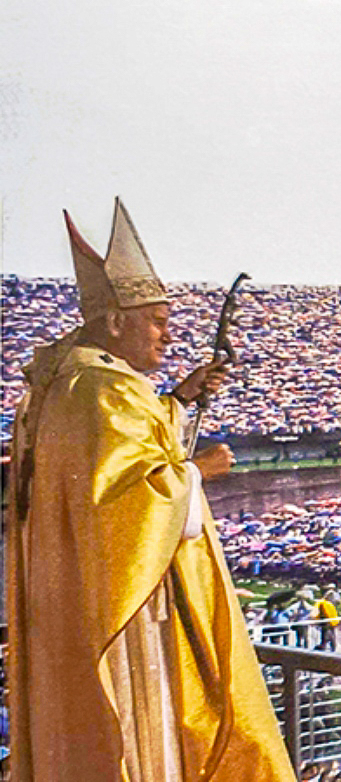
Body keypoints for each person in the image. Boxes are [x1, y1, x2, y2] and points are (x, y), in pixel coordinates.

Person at [5, 199, 295, 780]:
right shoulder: (103, 388)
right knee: (143, 732)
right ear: (116, 320)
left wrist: (181, 400)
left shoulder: (73, 381)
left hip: (75, 597)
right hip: (126, 608)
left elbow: (118, 455)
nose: (168, 334)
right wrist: (198, 472)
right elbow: (123, 502)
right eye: (158, 321)